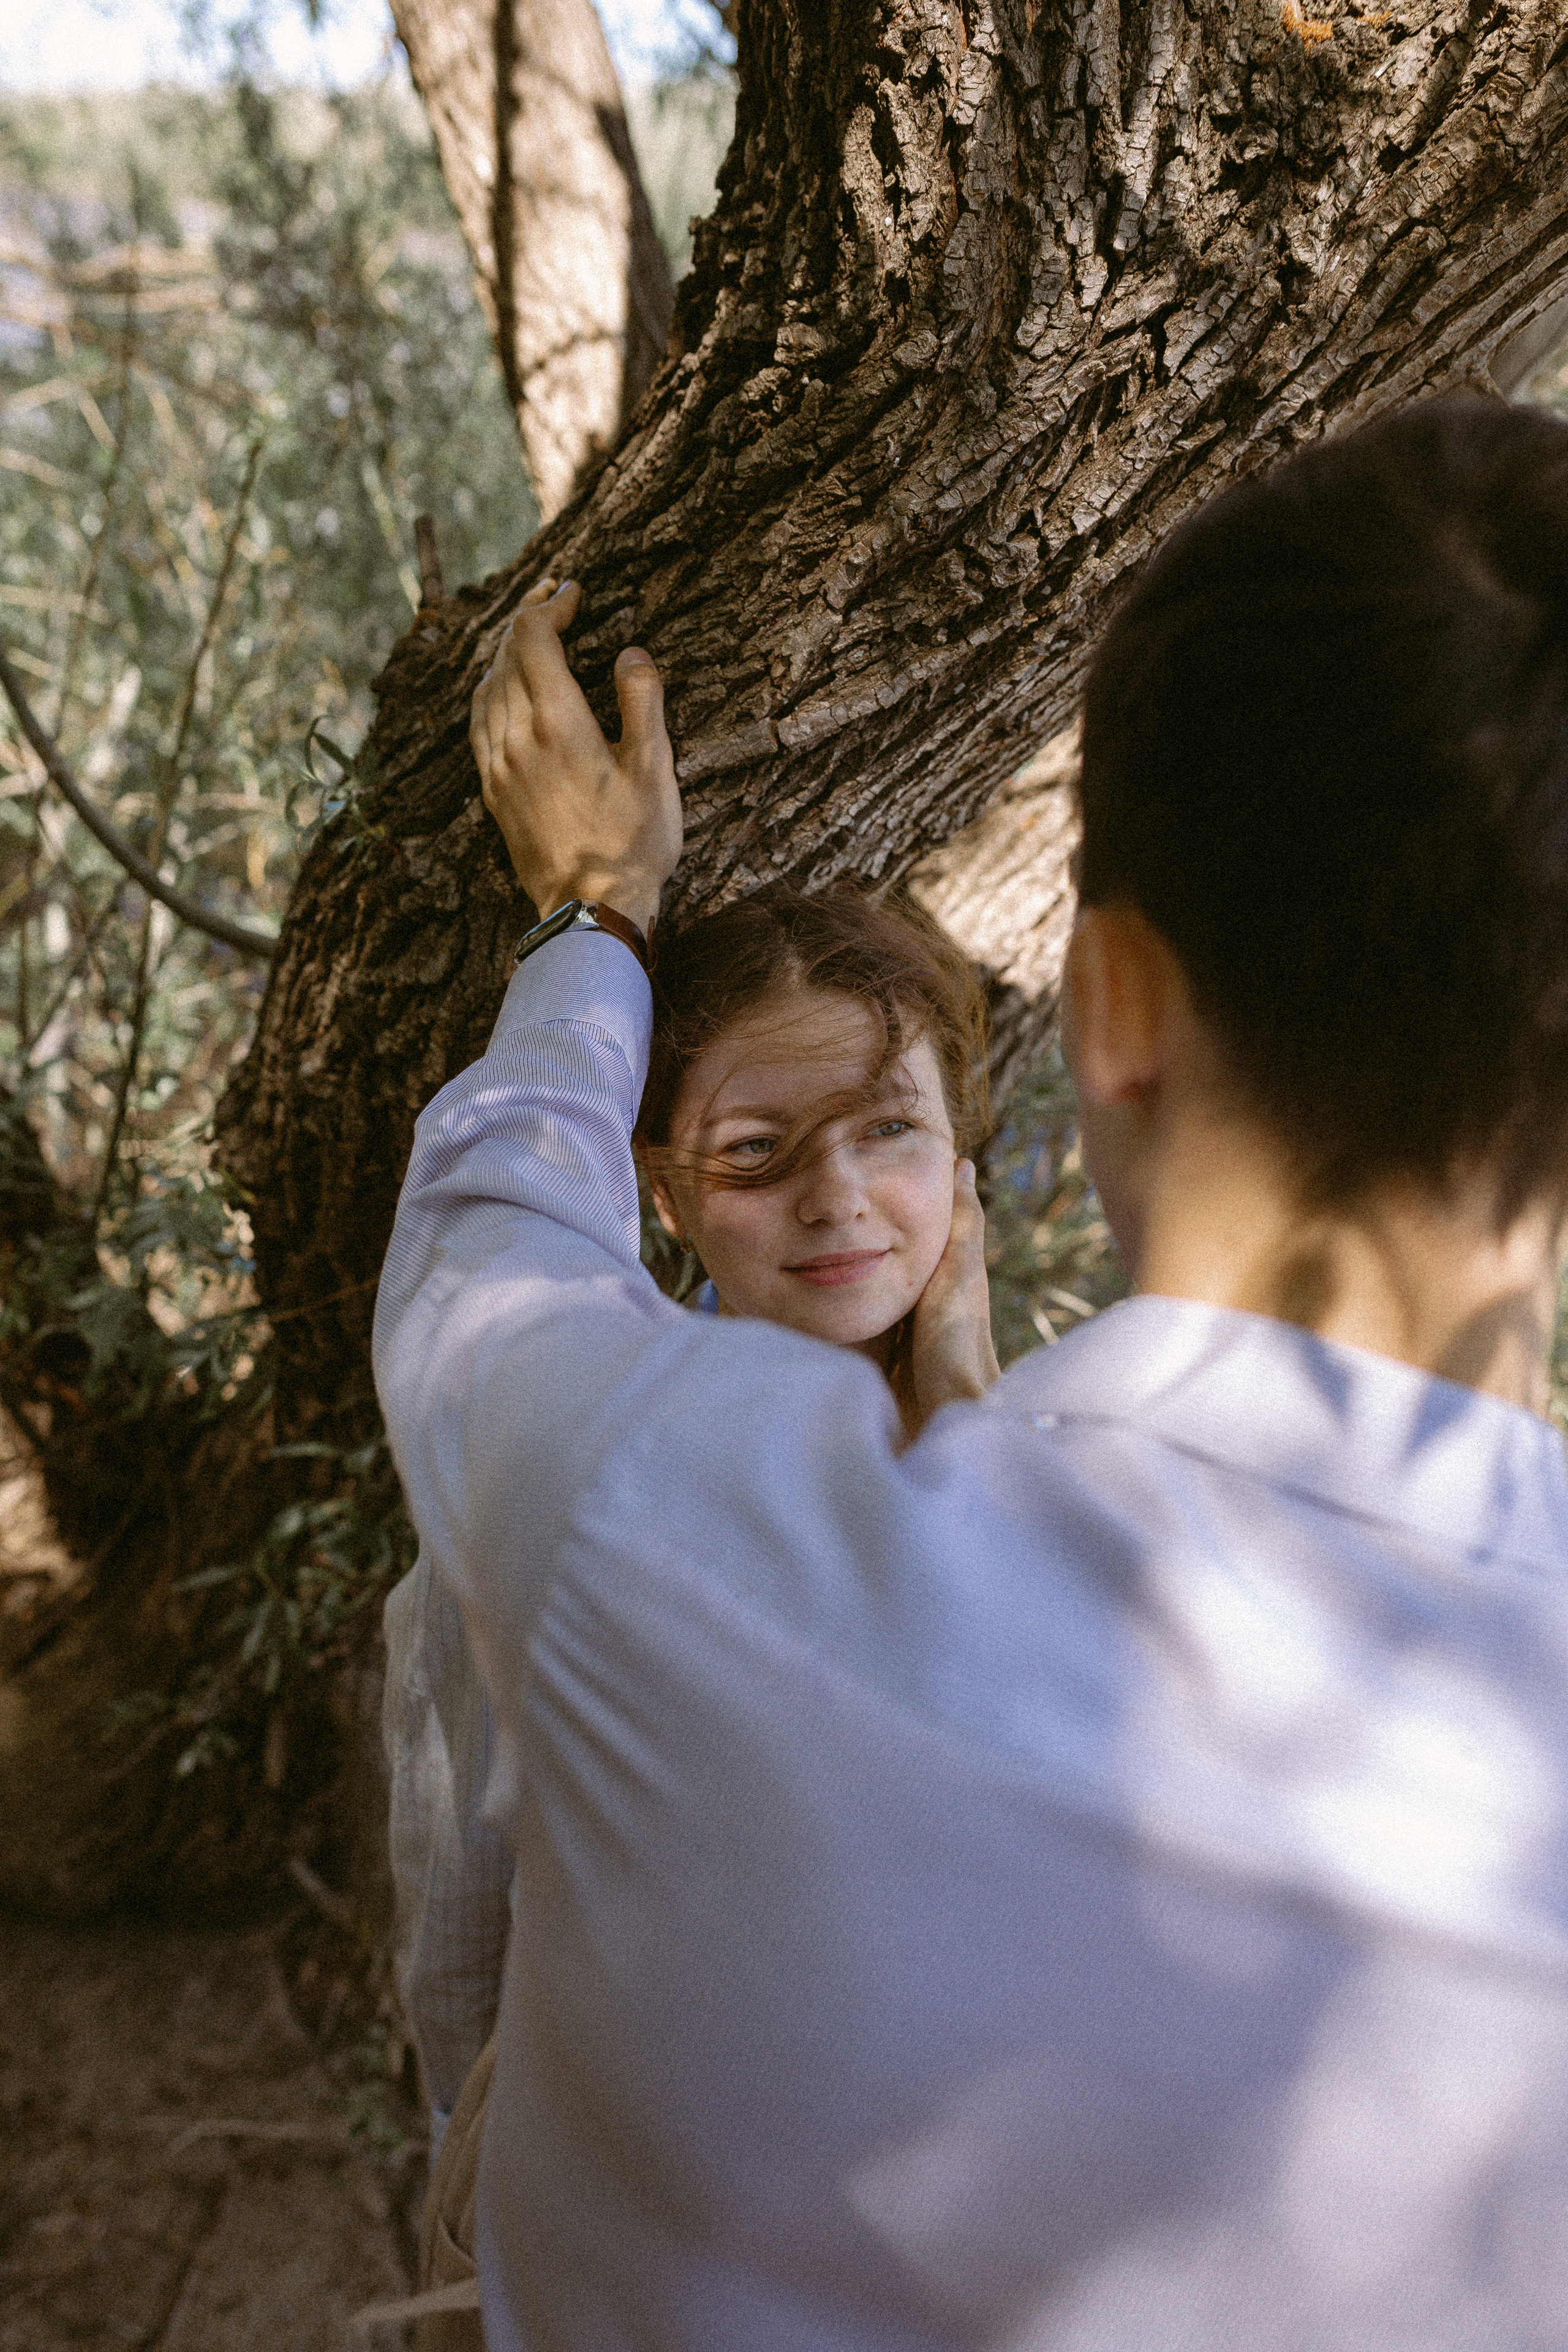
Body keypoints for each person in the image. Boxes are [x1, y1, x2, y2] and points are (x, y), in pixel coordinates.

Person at [375, 394, 1568, 2350]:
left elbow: (485, 1253)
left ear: (1104, 1010)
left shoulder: (674, 1539)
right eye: (761, 1154)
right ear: (682, 1181)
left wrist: (595, 912)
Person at [379, 884, 1000, 2294]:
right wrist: (464, 2149)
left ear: (961, 1153)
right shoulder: (587, 1482)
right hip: (612, 2221)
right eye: (758, 1151)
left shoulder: (1072, 1478)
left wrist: (967, 1399)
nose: (835, 1196)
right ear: (664, 1188)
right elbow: (462, 1892)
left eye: (889, 1131)